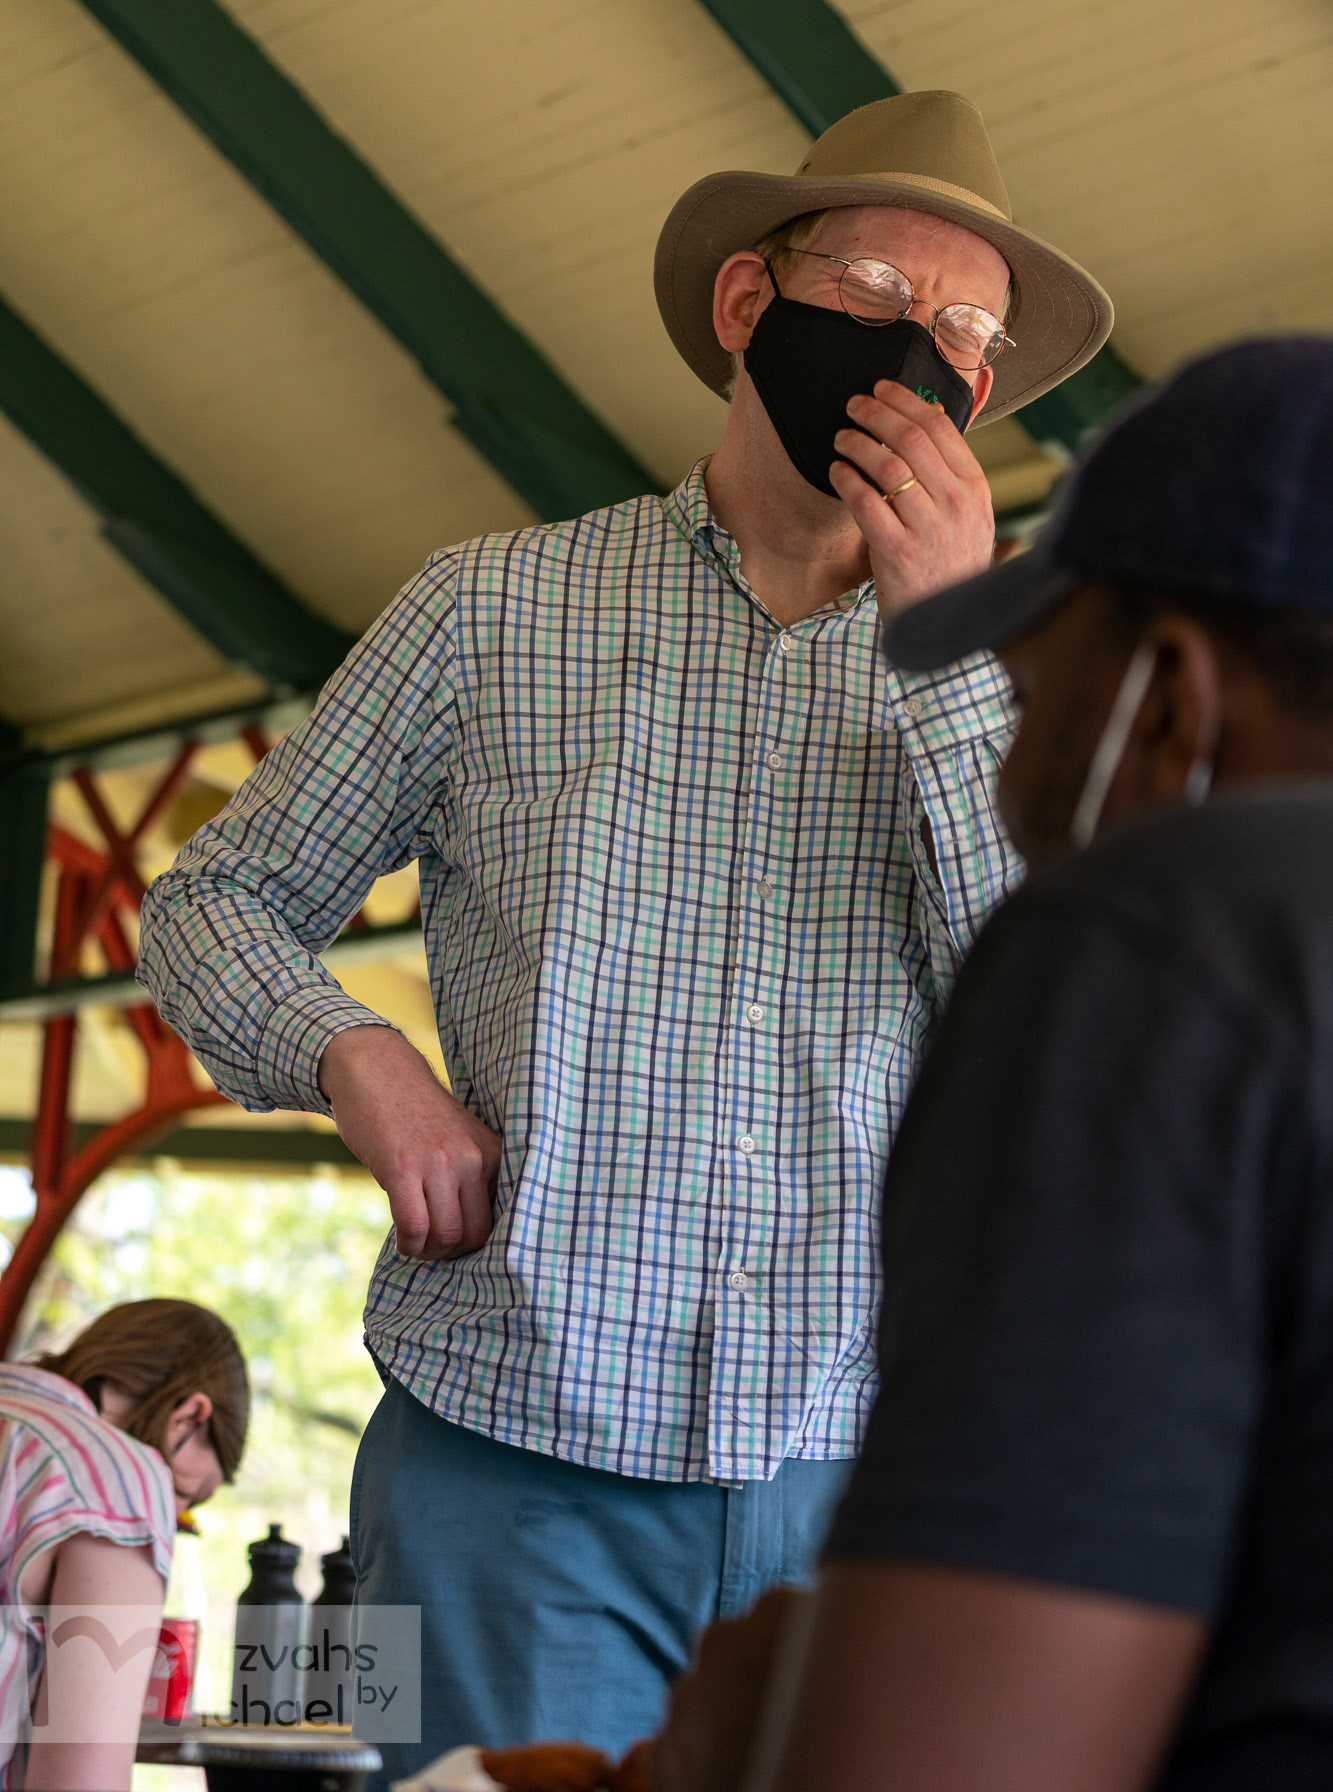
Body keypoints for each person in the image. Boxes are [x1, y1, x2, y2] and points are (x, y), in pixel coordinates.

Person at [135, 89, 1112, 1778]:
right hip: (492, 1468)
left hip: (864, 1487)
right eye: (880, 294)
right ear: (750, 306)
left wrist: (951, 647)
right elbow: (208, 900)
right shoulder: (483, 611)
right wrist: (354, 1058)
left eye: (967, 333)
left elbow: (1062, 1034)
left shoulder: (1038, 681)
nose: (923, 358)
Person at [650, 335, 1333, 1792]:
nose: (1007, 770)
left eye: (1027, 693)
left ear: (1165, 703)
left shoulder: (1167, 933)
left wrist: (735, 1752)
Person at [0, 1298, 249, 1791]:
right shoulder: (119, 1474)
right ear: (189, 1417)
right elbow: (79, 1783)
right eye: (183, 1499)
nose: (171, 1526)